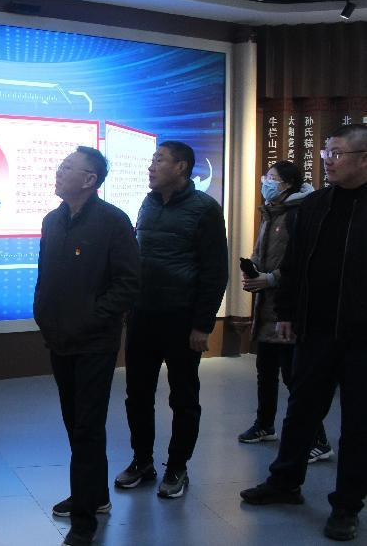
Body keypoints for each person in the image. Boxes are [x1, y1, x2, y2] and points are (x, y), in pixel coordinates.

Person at [240, 124, 367, 542]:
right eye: (327, 152)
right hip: (315, 329)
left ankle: (346, 505)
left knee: (358, 423)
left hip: (361, 338)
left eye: (338, 154)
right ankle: (284, 481)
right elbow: (294, 264)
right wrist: (287, 313)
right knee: (301, 410)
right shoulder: (315, 205)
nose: (328, 160)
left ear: (364, 159)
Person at [33, 147, 140, 546]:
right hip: (59, 339)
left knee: (87, 426)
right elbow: (46, 276)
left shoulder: (113, 221)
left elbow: (128, 284)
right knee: (74, 421)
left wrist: (92, 318)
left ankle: (84, 521)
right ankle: (93, 494)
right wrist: (43, 312)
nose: (58, 172)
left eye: (67, 167)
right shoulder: (52, 220)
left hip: (95, 341)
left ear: (90, 180)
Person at [115, 140, 228, 499]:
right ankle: (142, 461)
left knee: (183, 397)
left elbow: (215, 271)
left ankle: (177, 467)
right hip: (143, 315)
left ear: (181, 167)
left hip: (181, 318)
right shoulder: (148, 203)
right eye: (152, 160)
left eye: (159, 160)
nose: (151, 166)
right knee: (137, 394)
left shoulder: (205, 209)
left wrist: (203, 324)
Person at [237, 161, 334, 462]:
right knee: (265, 372)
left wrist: (270, 279)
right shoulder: (271, 212)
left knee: (295, 378)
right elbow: (261, 253)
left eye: (272, 178)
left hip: (288, 309)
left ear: (288, 184)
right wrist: (254, 272)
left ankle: (318, 439)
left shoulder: (298, 213)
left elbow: (299, 263)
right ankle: (264, 425)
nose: (265, 182)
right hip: (266, 306)